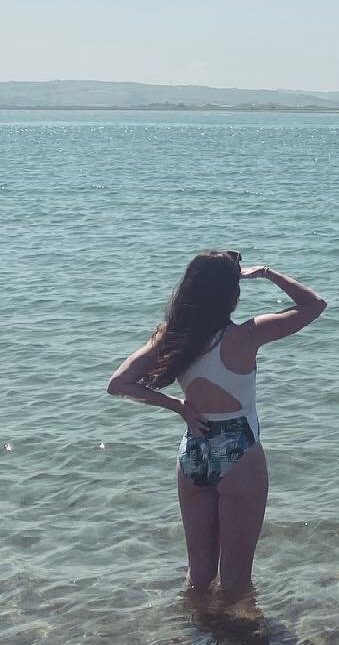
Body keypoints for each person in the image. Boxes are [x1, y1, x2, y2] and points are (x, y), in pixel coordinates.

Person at [107, 250, 326, 597]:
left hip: (193, 451)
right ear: (232, 294)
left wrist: (177, 406)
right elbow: (314, 305)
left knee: (199, 576)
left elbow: (118, 383)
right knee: (236, 583)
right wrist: (267, 273)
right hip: (238, 454)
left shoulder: (173, 337)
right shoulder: (246, 335)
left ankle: (195, 638)